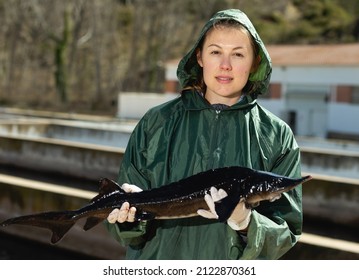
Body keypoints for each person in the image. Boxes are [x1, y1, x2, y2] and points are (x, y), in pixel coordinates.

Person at [104, 8, 303, 260]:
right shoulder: (156, 123)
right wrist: (127, 221)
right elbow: (122, 230)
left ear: (254, 63)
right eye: (215, 51)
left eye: (238, 54)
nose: (225, 65)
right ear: (199, 57)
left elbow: (286, 232)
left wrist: (246, 223)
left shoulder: (277, 135)